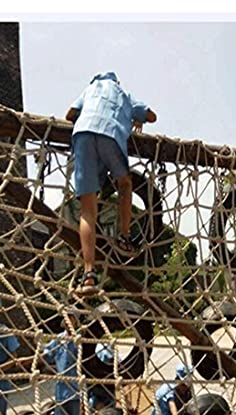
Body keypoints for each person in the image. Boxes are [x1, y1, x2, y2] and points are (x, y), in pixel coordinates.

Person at [65, 71, 157, 296]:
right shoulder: (123, 93)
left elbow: (69, 114)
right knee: (125, 184)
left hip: (83, 134)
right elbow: (152, 116)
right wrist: (136, 118)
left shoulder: (90, 89)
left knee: (87, 210)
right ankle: (124, 237)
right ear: (116, 82)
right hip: (111, 133)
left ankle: (88, 274)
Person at [41, 308, 83, 415]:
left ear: (75, 320)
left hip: (77, 390)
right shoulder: (58, 339)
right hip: (61, 390)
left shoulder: (80, 339)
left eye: (71, 317)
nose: (67, 320)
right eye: (66, 317)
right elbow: (46, 355)